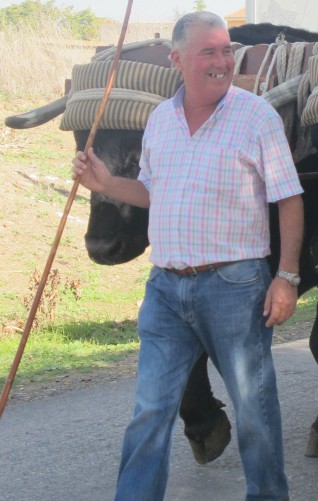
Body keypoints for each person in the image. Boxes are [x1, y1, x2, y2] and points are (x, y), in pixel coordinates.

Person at [72, 11, 303, 501]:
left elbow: (289, 197)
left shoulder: (256, 115)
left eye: (226, 51)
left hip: (235, 287)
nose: (222, 61)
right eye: (209, 52)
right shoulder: (159, 120)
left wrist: (286, 276)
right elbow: (155, 191)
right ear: (177, 59)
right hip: (165, 290)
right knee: (151, 410)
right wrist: (107, 183)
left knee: (254, 411)